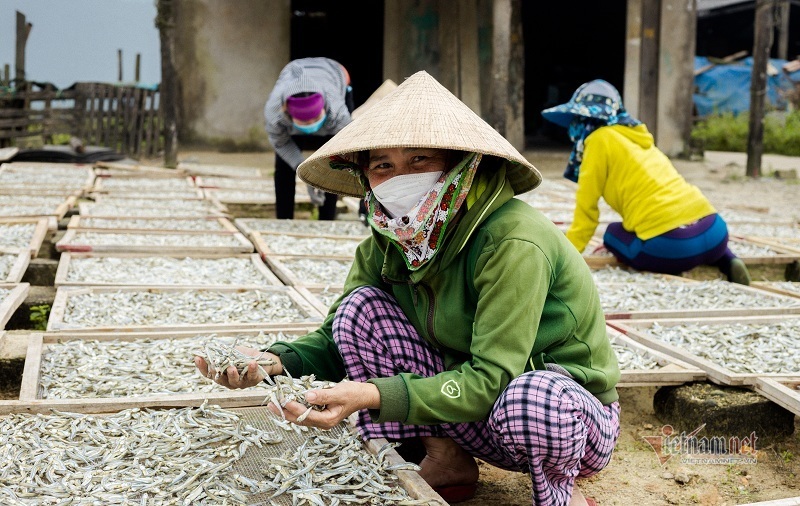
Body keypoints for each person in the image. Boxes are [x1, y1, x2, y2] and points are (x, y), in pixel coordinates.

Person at [197, 71, 620, 506]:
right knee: (360, 310)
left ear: (461, 163)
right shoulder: (387, 243)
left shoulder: (512, 241)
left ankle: (558, 493)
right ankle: (446, 456)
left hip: (566, 417)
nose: (400, 177)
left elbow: (494, 378)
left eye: (419, 160)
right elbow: (337, 338)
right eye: (383, 165)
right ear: (365, 178)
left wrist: (374, 394)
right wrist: (274, 361)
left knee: (533, 400)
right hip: (472, 411)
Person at [541, 79, 751, 285]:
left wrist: (567, 255)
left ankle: (680, 258)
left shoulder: (596, 141)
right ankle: (727, 259)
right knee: (686, 225)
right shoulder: (638, 138)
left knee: (613, 234)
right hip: (716, 231)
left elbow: (587, 212)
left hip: (675, 246)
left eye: (575, 120)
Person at [264, 57, 355, 220]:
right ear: (288, 114)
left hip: (335, 72)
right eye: (305, 121)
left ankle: (327, 220)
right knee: (284, 165)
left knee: (333, 166)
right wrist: (305, 171)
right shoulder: (274, 113)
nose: (311, 125)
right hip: (292, 71)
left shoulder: (338, 112)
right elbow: (282, 143)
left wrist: (321, 174)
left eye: (315, 118)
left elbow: (342, 147)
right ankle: (284, 219)